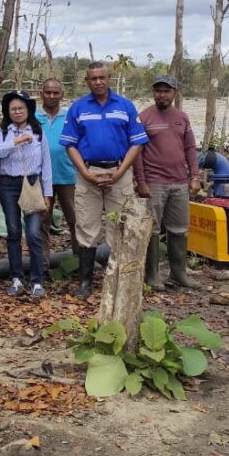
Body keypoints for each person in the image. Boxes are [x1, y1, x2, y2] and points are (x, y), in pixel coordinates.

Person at [60, 61, 148, 298]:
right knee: (86, 227)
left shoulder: (125, 106)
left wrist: (121, 172)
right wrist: (86, 173)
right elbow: (70, 145)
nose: (98, 82)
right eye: (93, 78)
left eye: (102, 77)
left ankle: (118, 280)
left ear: (109, 78)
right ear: (86, 81)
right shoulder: (78, 108)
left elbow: (137, 143)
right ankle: (85, 282)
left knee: (119, 227)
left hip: (119, 173)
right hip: (88, 173)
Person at [133, 75, 200, 290]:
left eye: (166, 91)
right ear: (153, 93)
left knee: (179, 229)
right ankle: (152, 275)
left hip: (179, 182)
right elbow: (137, 153)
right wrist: (141, 181)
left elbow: (190, 148)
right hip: (155, 182)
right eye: (158, 91)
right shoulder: (144, 117)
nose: (162, 95)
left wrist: (195, 176)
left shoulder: (182, 118)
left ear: (175, 93)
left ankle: (179, 273)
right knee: (152, 229)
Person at [0, 91, 53, 300]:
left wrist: (48, 193)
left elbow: (46, 164)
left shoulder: (38, 131)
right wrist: (14, 141)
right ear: (8, 111)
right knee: (13, 232)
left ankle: (37, 280)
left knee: (33, 233)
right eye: (13, 109)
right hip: (8, 184)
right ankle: (16, 278)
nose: (17, 112)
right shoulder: (2, 132)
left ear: (28, 110)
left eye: (21, 108)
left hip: (32, 183)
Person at [35, 78, 78, 263]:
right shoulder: (32, 117)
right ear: (41, 93)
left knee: (76, 219)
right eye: (47, 92)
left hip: (68, 176)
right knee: (42, 221)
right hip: (41, 179)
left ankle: (80, 260)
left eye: (55, 92)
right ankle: (42, 264)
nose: (51, 96)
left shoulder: (70, 117)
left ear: (62, 95)